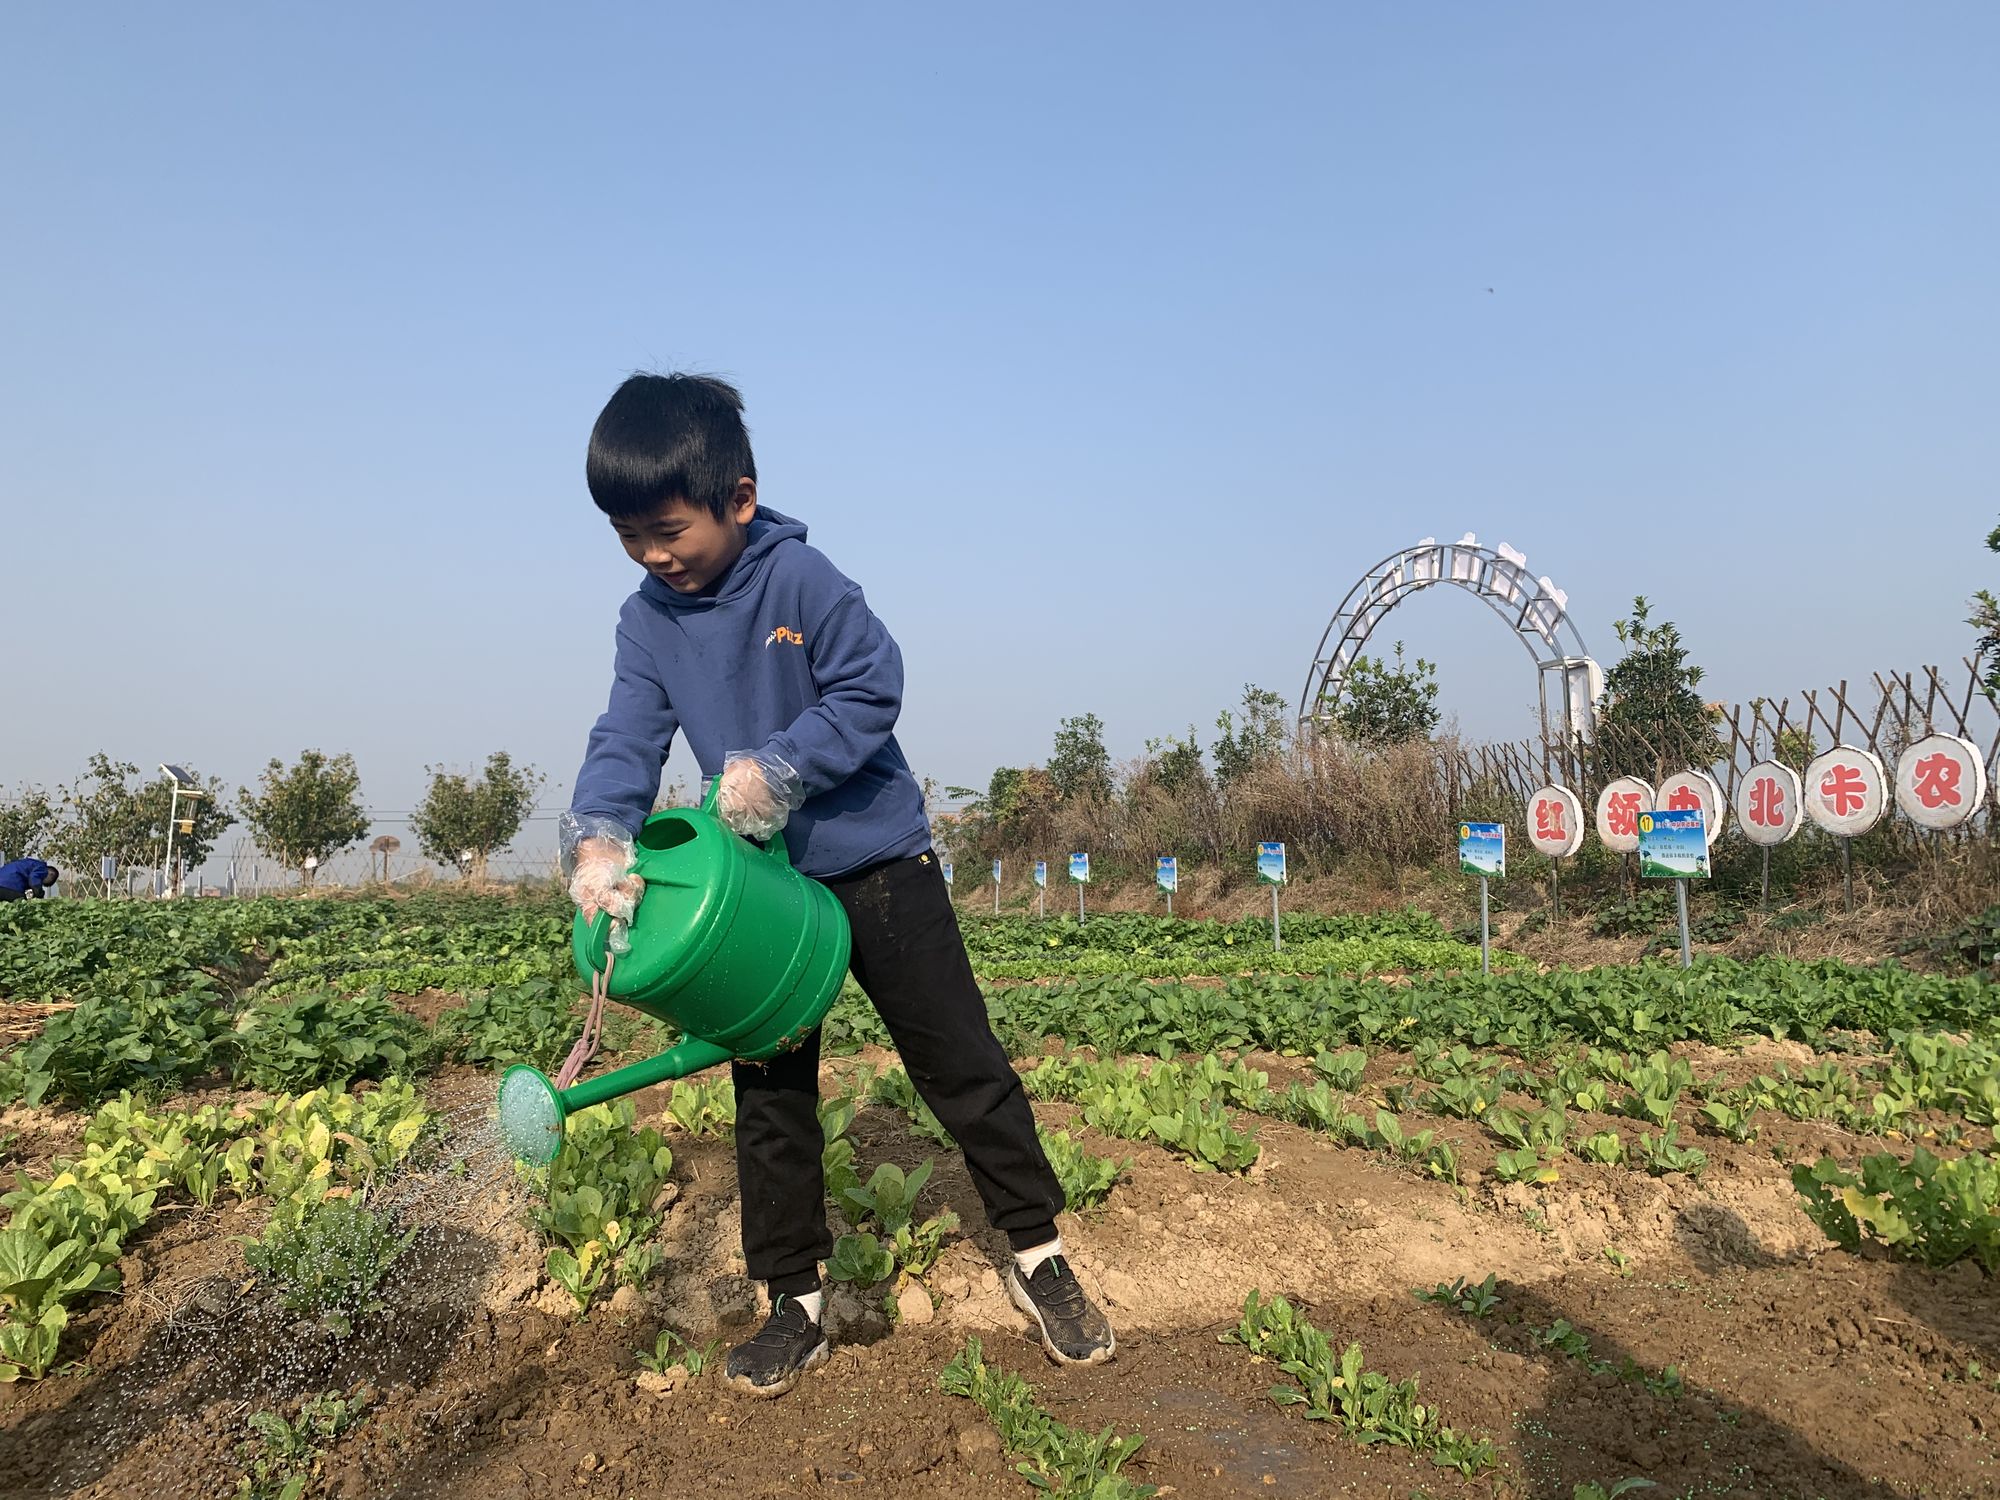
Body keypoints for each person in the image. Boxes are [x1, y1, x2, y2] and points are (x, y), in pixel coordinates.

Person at [562, 373, 1115, 1399]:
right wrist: (600, 839)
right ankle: (794, 1302)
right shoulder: (646, 622)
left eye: (665, 528)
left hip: (874, 863)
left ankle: (1038, 1256)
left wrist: (781, 766)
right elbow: (625, 737)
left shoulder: (800, 578)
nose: (650, 554)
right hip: (761, 892)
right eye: (626, 534)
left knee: (958, 1060)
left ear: (737, 497)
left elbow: (872, 684)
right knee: (768, 1094)